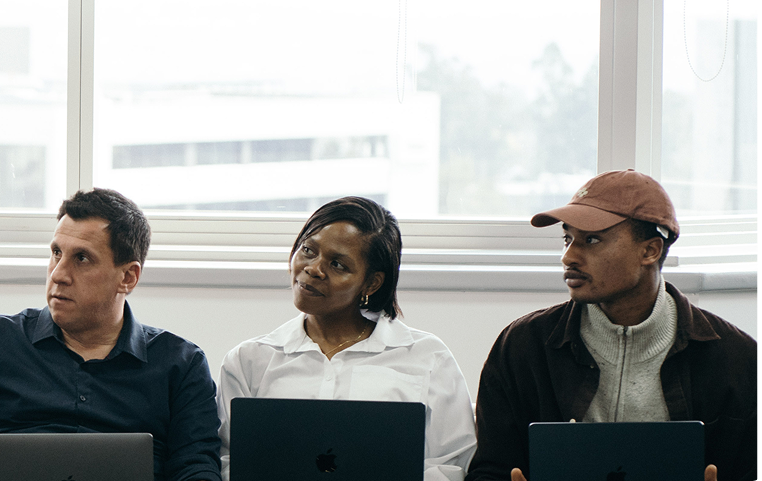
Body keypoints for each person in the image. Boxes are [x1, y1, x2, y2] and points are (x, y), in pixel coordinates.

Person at [469, 170, 757, 481]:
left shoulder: (736, 359)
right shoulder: (521, 347)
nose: (569, 257)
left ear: (649, 251)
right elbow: (490, 470)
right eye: (568, 238)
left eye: (591, 240)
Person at [0, 187, 222, 481]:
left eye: (82, 258)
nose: (58, 274)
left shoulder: (181, 365)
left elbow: (196, 469)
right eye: (56, 253)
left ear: (128, 277)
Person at [215, 197, 475, 481]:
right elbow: (227, 461)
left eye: (338, 264)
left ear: (371, 283)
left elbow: (453, 464)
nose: (313, 268)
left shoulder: (427, 357)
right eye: (308, 250)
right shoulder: (249, 360)